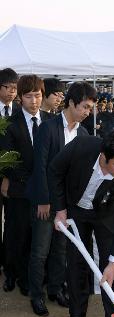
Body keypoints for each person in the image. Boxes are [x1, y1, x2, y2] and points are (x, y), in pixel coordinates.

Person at [49, 131, 114, 317]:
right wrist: (60, 210)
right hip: (75, 211)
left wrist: (113, 263)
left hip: (106, 215)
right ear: (104, 155)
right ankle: (77, 314)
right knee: (76, 263)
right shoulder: (82, 147)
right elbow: (54, 170)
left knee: (112, 270)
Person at [26, 82, 96, 316]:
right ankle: (37, 295)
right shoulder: (48, 128)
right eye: (85, 107)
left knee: (61, 249)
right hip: (46, 201)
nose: (87, 112)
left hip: (68, 204)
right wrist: (44, 201)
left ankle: (56, 289)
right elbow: (41, 167)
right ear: (72, 103)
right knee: (40, 251)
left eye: (90, 108)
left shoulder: (84, 133)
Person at [1, 75, 51, 296]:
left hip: (44, 192)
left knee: (36, 236)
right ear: (20, 98)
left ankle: (32, 277)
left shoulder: (51, 121)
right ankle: (13, 274)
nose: (34, 101)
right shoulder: (10, 125)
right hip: (19, 189)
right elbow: (8, 159)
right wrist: (33, 180)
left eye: (37, 95)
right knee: (16, 233)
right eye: (28, 96)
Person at [0, 68, 20, 279]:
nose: (12, 93)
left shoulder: (18, 112)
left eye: (15, 89)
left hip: (13, 177)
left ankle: (9, 261)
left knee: (13, 221)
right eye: (9, 88)